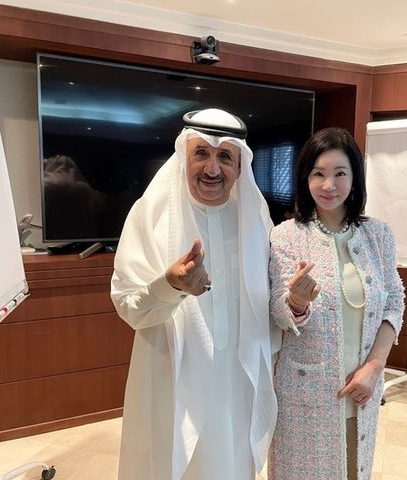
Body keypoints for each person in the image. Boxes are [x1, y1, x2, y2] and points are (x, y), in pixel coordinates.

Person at [111, 108, 277, 480]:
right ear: (183, 156)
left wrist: (295, 304)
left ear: (240, 165)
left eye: (225, 157)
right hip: (170, 377)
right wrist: (169, 286)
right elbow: (128, 306)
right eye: (201, 153)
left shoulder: (255, 220)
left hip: (236, 380)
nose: (212, 169)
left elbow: (268, 304)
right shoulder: (151, 216)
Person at [268, 127, 405, 480]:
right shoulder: (286, 236)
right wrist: (297, 302)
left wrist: (375, 367)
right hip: (305, 393)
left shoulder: (378, 235)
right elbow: (278, 312)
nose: (329, 185)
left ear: (354, 178)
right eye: (318, 174)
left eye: (340, 174)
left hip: (362, 391)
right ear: (305, 179)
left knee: (353, 470)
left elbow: (394, 300)